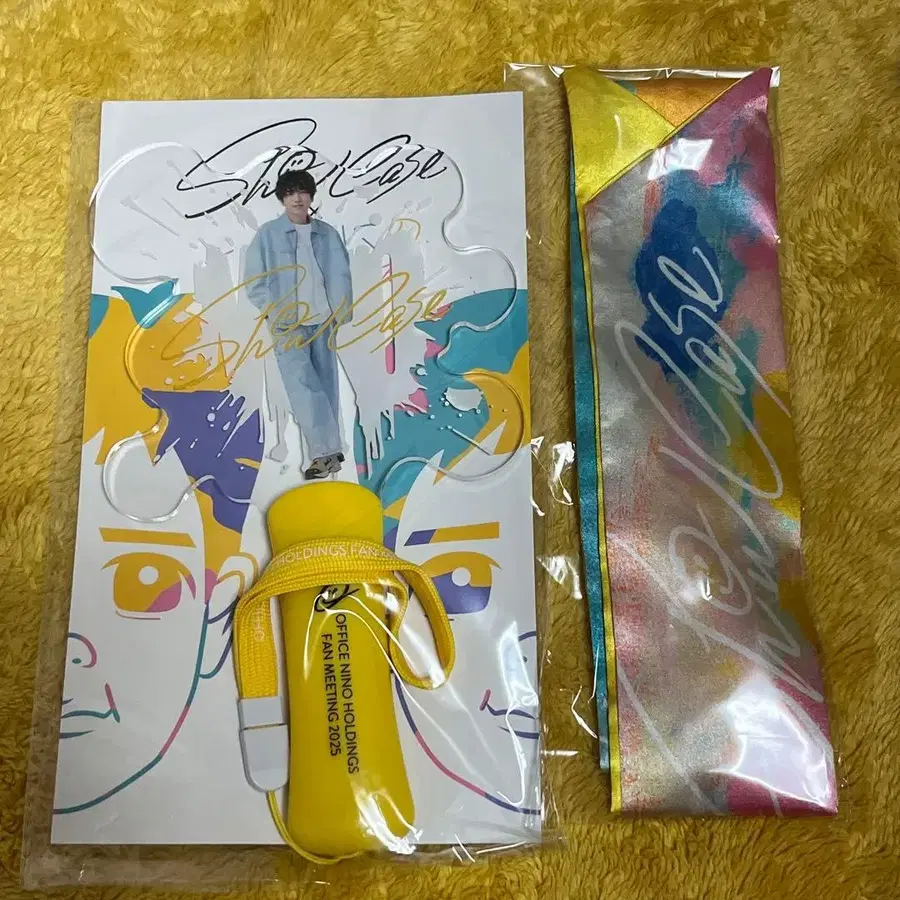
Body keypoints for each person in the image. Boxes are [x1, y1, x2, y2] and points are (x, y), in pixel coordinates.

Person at [244, 169, 352, 479]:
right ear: (282, 197)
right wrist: (274, 312)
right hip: (288, 324)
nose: (297, 198)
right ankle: (324, 452)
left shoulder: (327, 234)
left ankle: (329, 451)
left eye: (303, 191)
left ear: (311, 196)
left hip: (324, 320)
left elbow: (342, 274)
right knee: (302, 387)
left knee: (326, 386)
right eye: (290, 192)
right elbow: (254, 281)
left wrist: (341, 311)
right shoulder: (268, 235)